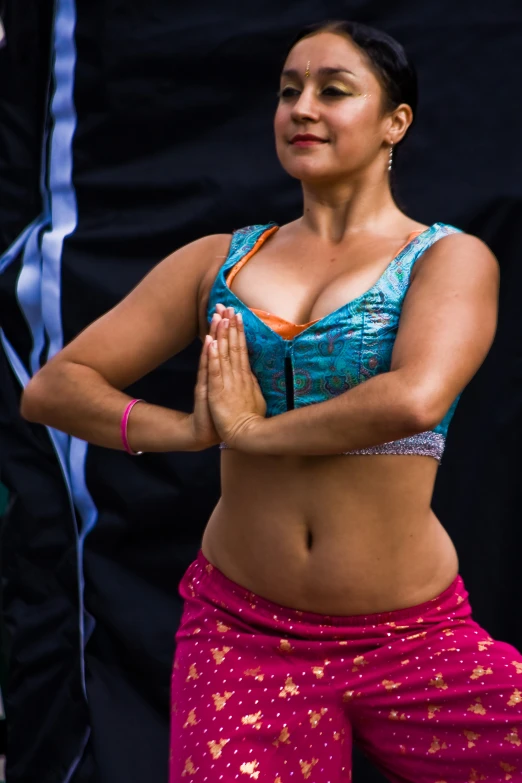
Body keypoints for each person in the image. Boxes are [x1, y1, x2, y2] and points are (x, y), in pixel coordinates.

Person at [20, 18, 521, 783]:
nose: (302, 108)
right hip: (242, 638)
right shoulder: (219, 259)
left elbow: (415, 397)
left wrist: (251, 429)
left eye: (333, 90)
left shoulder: (448, 257)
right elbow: (55, 386)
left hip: (413, 640)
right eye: (289, 92)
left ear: (396, 122)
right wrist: (188, 431)